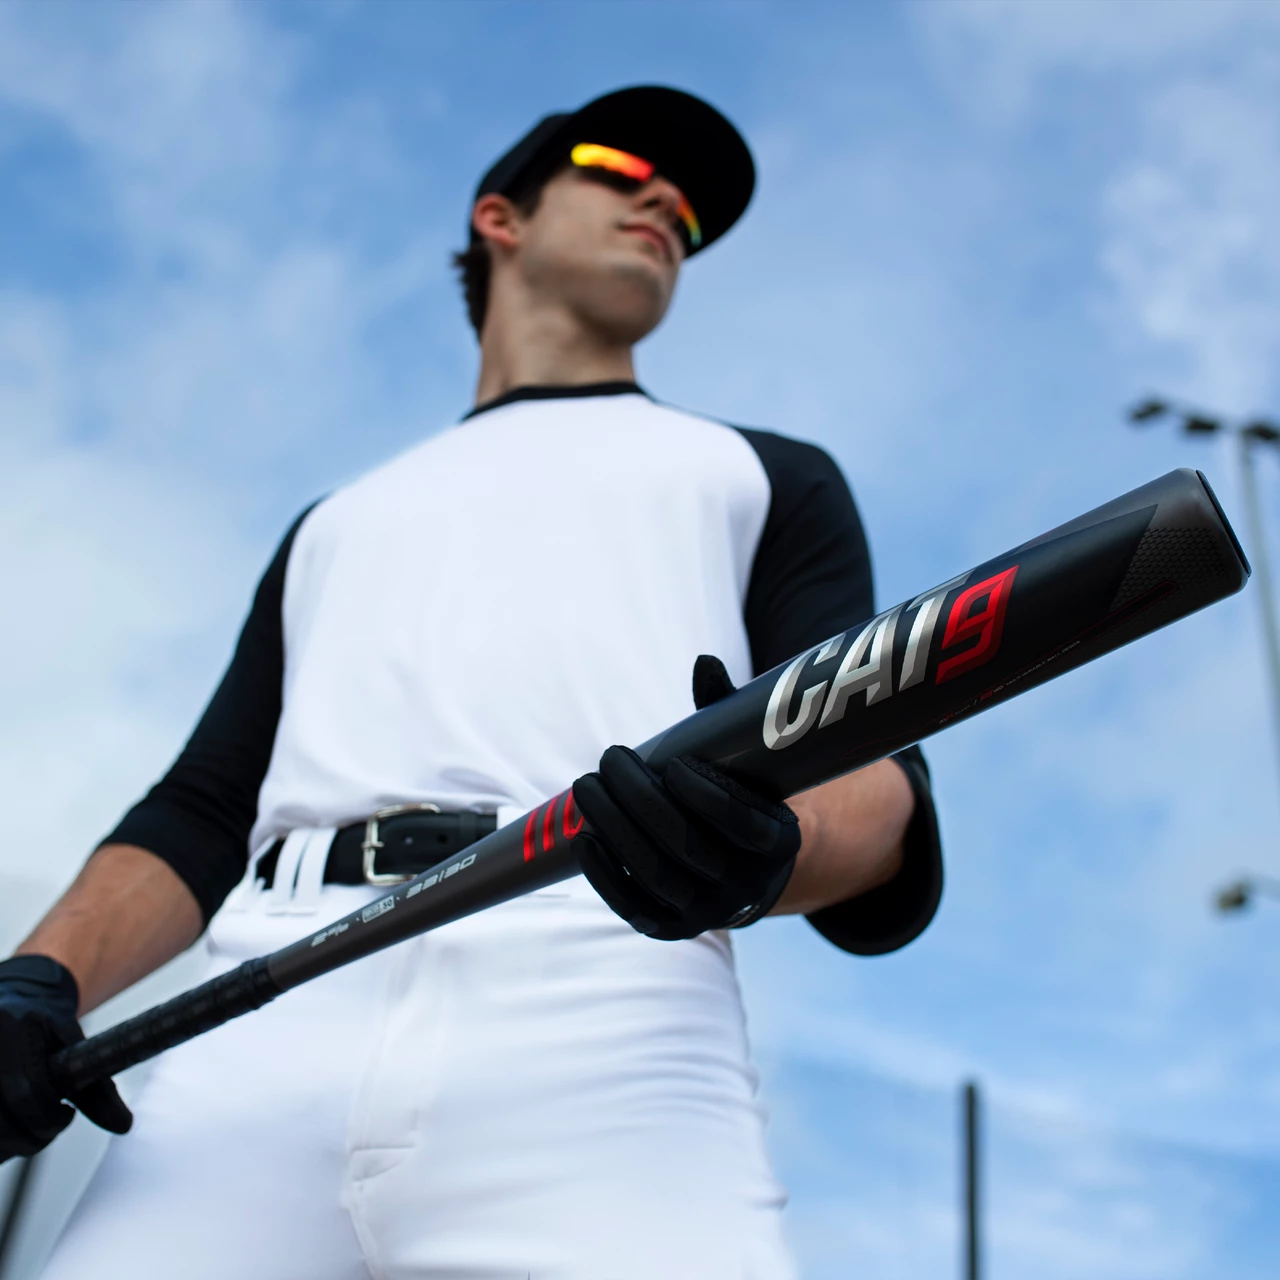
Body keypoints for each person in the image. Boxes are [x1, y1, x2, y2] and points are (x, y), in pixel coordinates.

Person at [0, 86, 942, 1279]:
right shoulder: (335, 522)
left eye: (689, 214)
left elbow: (871, 774)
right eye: (617, 168)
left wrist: (772, 848)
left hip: (602, 976)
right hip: (261, 1003)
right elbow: (202, 809)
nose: (666, 201)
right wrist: (37, 979)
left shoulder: (765, 475)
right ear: (500, 216)